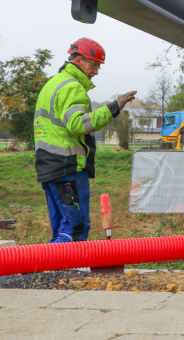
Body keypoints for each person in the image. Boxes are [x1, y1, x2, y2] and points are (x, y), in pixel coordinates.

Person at [34, 38, 136, 243]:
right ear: (78, 60)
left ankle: (49, 263)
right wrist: (113, 108)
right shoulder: (72, 87)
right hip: (68, 167)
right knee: (75, 229)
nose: (96, 71)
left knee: (62, 229)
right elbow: (78, 124)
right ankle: (63, 265)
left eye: (99, 67)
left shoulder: (53, 83)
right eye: (94, 65)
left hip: (50, 166)